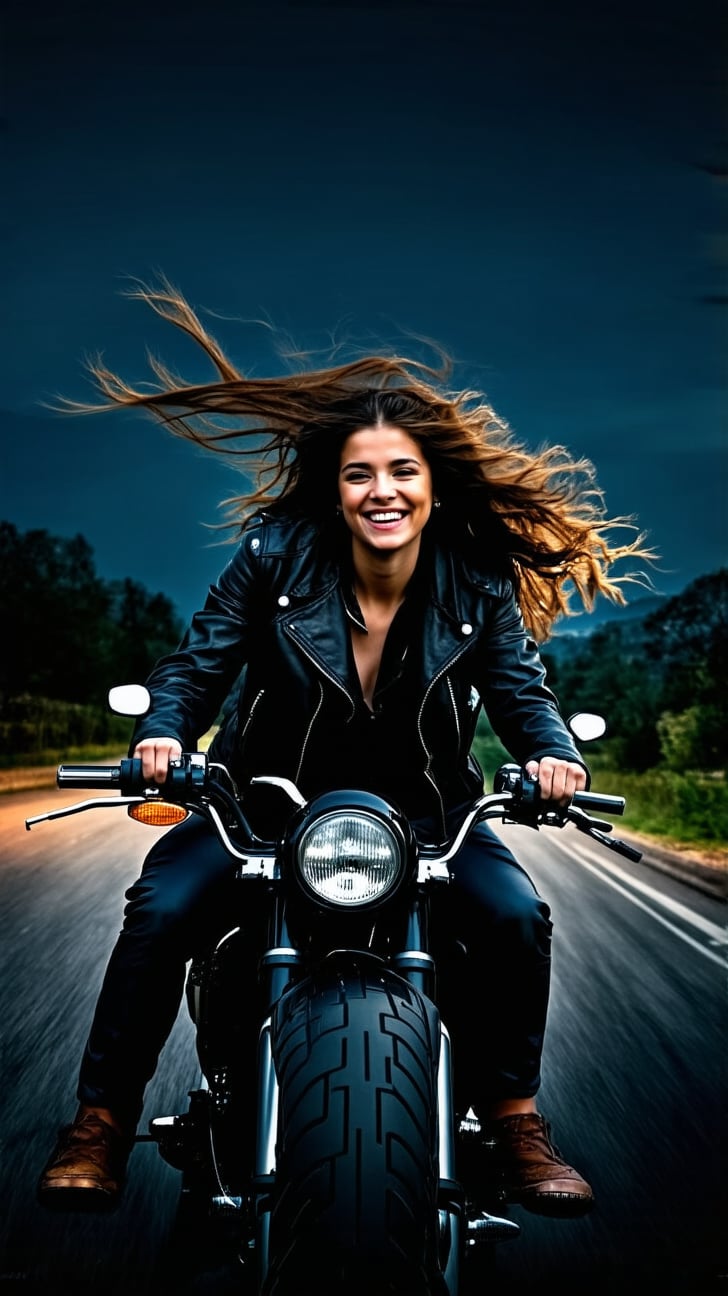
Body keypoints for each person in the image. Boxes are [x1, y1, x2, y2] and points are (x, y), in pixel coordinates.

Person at [37, 278, 652, 1219]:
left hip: (431, 816)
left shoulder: (475, 582)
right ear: (336, 488)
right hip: (261, 807)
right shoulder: (275, 554)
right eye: (361, 473)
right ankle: (102, 1122)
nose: (383, 491)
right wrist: (164, 733)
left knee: (518, 918)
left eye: (402, 471)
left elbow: (523, 694)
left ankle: (520, 1122)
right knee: (160, 908)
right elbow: (200, 662)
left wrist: (555, 758)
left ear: (433, 487)